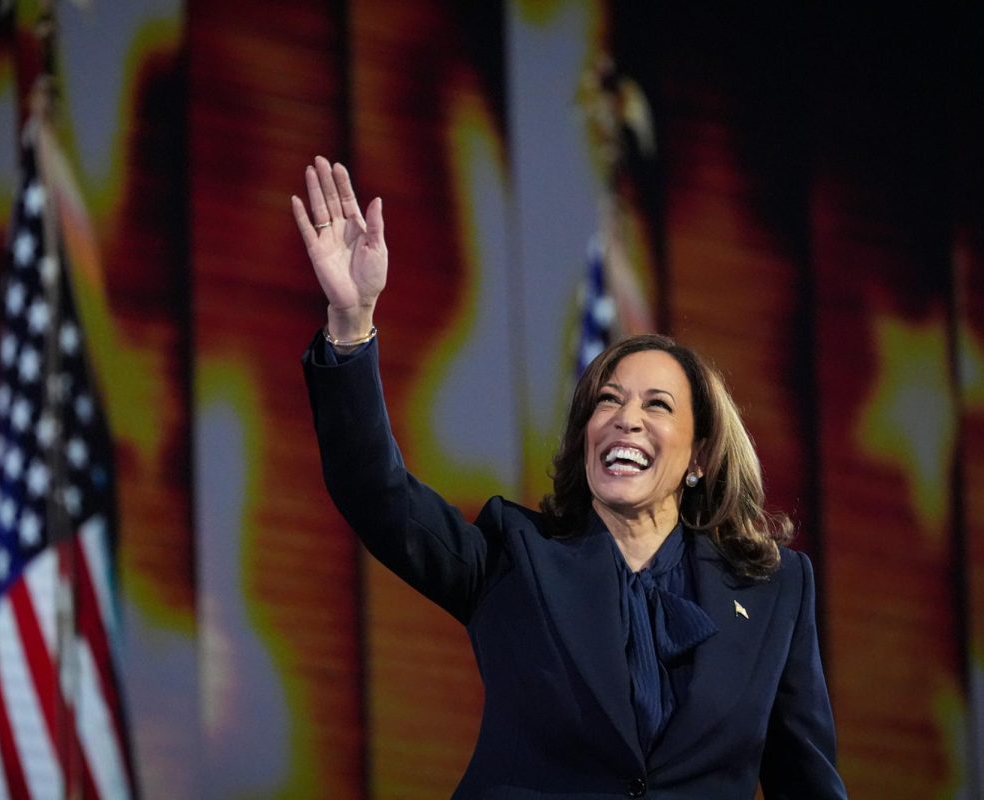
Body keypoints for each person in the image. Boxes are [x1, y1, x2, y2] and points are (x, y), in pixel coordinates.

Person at [292, 155, 847, 799]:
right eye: (607, 402)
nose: (624, 420)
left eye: (656, 405)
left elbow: (806, 781)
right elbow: (375, 490)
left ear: (699, 458)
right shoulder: (514, 557)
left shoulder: (777, 591)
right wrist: (352, 325)